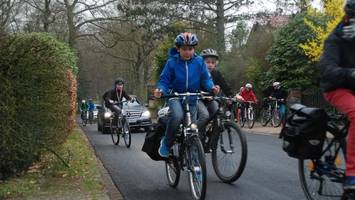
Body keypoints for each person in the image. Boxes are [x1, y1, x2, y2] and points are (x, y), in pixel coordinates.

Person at [154, 32, 220, 158]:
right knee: (177, 116)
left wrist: (212, 87)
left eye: (190, 49)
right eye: (184, 49)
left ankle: (195, 162)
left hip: (192, 98)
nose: (188, 52)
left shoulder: (199, 62)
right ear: (178, 49)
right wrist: (160, 90)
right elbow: (164, 80)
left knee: (192, 130)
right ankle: (166, 143)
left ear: (194, 49)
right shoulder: (172, 62)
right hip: (175, 97)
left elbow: (206, 79)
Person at [318, 0, 355, 198]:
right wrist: (351, 73)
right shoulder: (335, 38)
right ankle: (351, 175)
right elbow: (327, 69)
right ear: (348, 17)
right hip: (336, 87)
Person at [197, 48, 233, 147]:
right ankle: (196, 136)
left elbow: (224, 85)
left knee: (219, 114)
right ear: (201, 62)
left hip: (211, 99)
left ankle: (212, 138)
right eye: (207, 62)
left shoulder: (216, 73)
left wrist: (231, 96)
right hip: (198, 99)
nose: (210, 64)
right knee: (204, 116)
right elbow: (193, 85)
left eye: (213, 62)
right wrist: (200, 93)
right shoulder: (198, 72)